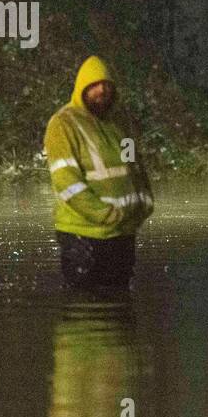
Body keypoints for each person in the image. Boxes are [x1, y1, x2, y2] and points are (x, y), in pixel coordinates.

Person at [44, 55, 154, 289]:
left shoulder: (121, 123)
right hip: (83, 235)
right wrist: (105, 215)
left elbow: (134, 166)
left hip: (122, 232)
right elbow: (66, 182)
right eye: (94, 85)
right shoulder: (63, 124)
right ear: (82, 88)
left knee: (120, 306)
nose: (101, 90)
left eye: (106, 85)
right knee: (85, 306)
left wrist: (144, 203)